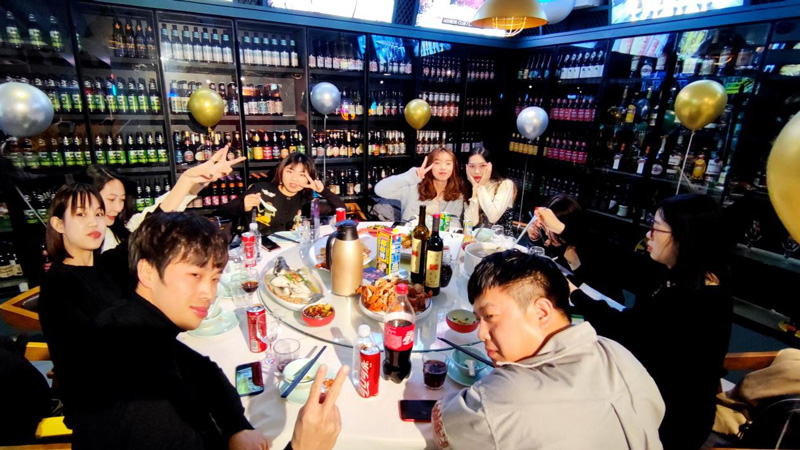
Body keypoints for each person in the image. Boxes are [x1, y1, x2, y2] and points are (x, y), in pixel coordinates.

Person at [433, 250, 665, 450]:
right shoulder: (618, 353)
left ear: (542, 312)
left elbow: (444, 424)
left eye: (490, 316)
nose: (481, 333)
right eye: (479, 319)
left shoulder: (503, 398)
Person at [569, 193, 733, 450]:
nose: (648, 235)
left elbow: (627, 332)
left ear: (685, 236)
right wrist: (563, 230)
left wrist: (574, 294)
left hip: (670, 419)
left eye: (656, 228)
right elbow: (620, 263)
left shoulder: (698, 299)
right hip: (648, 390)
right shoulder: (676, 273)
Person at [77, 146, 244, 252]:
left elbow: (162, 210)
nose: (118, 207)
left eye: (121, 199)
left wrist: (200, 180)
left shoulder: (122, 228)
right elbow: (154, 221)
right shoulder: (91, 243)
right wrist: (186, 179)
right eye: (111, 199)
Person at [215, 152, 345, 234]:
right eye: (289, 171)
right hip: (254, 249)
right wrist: (243, 205)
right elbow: (222, 212)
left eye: (302, 175)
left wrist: (323, 191)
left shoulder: (305, 201)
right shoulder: (261, 190)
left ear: (309, 178)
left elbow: (341, 209)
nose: (294, 179)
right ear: (281, 171)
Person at [374, 148, 464, 229]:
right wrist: (412, 176)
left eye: (448, 163)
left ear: (453, 167)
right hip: (409, 238)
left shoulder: (457, 193)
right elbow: (379, 190)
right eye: (437, 163)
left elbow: (456, 223)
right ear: (429, 164)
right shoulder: (413, 186)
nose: (443, 168)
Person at [463, 148, 516, 233]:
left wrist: (480, 187)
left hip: (501, 240)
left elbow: (493, 217)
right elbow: (471, 223)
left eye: (482, 166)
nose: (477, 171)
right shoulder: (468, 187)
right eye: (472, 166)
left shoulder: (505, 185)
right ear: (466, 168)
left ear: (490, 166)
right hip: (474, 240)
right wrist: (475, 191)